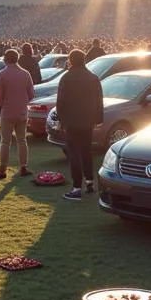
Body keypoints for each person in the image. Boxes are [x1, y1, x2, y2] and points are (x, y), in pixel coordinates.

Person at [55, 48, 104, 202]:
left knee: (74, 154)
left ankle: (76, 188)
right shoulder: (93, 77)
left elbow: (61, 101)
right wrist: (98, 119)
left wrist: (60, 120)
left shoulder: (67, 78)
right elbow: (99, 100)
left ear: (71, 60)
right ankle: (89, 182)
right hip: (87, 121)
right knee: (86, 151)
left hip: (71, 121)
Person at [0, 48, 36, 179]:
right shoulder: (25, 73)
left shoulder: (2, 74)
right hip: (22, 111)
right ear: (17, 58)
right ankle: (23, 167)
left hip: (7, 111)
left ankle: (2, 169)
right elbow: (31, 94)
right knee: (22, 140)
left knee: (5, 142)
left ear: (5, 59)